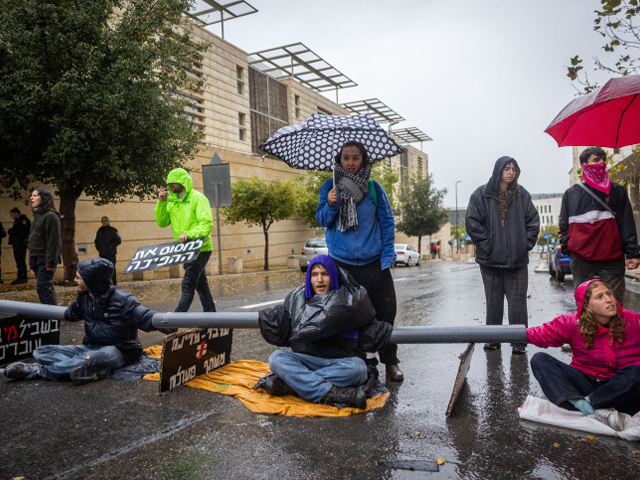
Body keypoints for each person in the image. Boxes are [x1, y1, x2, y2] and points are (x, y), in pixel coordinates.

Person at [315, 141, 402, 382]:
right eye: (346, 158)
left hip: (375, 263)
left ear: (363, 159)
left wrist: (387, 256)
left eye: (356, 158)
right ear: (339, 160)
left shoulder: (374, 188)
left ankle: (390, 362)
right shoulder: (329, 186)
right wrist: (332, 203)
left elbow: (386, 222)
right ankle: (358, 362)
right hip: (342, 265)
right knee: (347, 317)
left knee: (386, 313)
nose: (351, 163)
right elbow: (322, 219)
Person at [257, 255, 393, 409]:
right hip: (308, 361)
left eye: (325, 274)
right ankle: (333, 393)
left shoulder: (349, 301)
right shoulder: (298, 299)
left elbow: (366, 327)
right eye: (314, 274)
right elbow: (283, 322)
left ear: (333, 276)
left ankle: (291, 385)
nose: (319, 279)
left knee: (358, 369)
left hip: (340, 362)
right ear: (309, 278)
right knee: (276, 358)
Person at [3, 258, 159, 385]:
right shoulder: (84, 298)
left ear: (91, 281)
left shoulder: (124, 300)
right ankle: (83, 367)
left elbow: (147, 317)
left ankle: (37, 371)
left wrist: (167, 322)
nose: (74, 280)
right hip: (90, 348)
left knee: (91, 358)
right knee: (41, 351)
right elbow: (70, 315)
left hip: (120, 352)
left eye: (78, 277)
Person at [527, 279, 640, 431]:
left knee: (636, 372)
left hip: (619, 388)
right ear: (587, 305)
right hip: (586, 381)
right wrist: (506, 334)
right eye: (599, 297)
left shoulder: (634, 321)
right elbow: (542, 334)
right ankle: (586, 407)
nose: (608, 299)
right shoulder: (573, 322)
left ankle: (584, 404)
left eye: (609, 294)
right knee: (539, 359)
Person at [466, 156, 540, 354]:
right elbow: (472, 223)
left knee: (518, 302)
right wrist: (488, 246)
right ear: (498, 171)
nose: (510, 172)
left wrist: (524, 245)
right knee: (494, 301)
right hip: (490, 261)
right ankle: (493, 339)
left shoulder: (522, 194)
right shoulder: (481, 195)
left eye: (514, 169)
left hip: (517, 261)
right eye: (506, 168)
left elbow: (533, 221)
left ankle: (518, 342)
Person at [559, 147, 640, 305]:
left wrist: (633, 254)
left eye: (603, 159)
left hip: (612, 258)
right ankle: (588, 331)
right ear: (584, 165)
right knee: (585, 305)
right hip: (582, 259)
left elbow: (626, 223)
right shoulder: (571, 194)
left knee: (613, 305)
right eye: (596, 160)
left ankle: (612, 331)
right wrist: (568, 247)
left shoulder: (617, 191)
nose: (601, 163)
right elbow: (563, 224)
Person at [155, 168, 216, 314]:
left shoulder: (198, 198)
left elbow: (207, 223)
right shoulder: (173, 202)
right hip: (185, 249)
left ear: (183, 181)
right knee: (201, 285)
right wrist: (162, 202)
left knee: (188, 284)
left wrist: (190, 234)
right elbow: (162, 222)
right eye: (169, 184)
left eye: (173, 183)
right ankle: (212, 316)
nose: (171, 186)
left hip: (201, 247)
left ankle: (175, 320)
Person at [27, 188, 62, 305]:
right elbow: (35, 239)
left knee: (44, 287)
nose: (31, 198)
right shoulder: (38, 216)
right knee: (42, 287)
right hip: (37, 258)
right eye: (31, 195)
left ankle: (52, 317)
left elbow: (54, 241)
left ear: (44, 198)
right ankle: (48, 316)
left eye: (35, 195)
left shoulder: (51, 216)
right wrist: (32, 262)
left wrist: (50, 263)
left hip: (45, 259)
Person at [94, 216, 121, 285]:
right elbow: (96, 241)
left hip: (111, 254)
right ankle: (105, 284)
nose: (104, 222)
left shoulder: (113, 230)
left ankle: (113, 284)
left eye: (105, 220)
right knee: (103, 270)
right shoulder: (99, 231)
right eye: (103, 221)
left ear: (108, 221)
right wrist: (98, 248)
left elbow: (118, 240)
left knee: (111, 269)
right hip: (102, 254)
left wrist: (111, 246)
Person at [7, 208, 31, 285]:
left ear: (16, 213)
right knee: (19, 261)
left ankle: (22, 277)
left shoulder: (23, 221)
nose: (12, 217)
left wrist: (9, 231)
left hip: (20, 244)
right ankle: (21, 277)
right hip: (17, 243)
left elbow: (20, 231)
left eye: (12, 215)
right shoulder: (18, 221)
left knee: (20, 260)